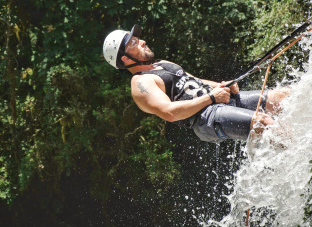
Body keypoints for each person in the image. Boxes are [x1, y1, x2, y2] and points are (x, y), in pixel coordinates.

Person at [102, 24, 289, 143]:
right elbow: (169, 112)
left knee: (281, 97)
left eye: (138, 38)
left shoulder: (162, 64)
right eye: (134, 42)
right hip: (205, 118)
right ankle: (296, 150)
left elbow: (194, 81)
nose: (142, 41)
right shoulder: (140, 84)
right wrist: (210, 98)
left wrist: (221, 85)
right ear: (126, 59)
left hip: (217, 100)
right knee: (262, 121)